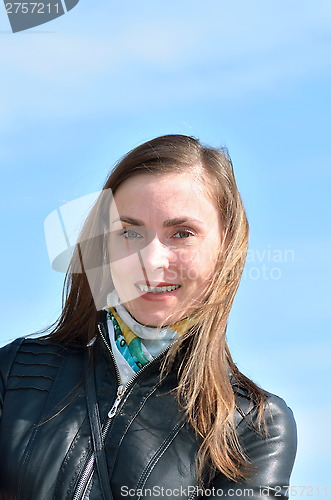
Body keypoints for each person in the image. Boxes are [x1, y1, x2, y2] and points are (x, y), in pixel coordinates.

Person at [0, 134, 297, 499]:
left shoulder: (253, 427)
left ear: (225, 249)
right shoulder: (14, 373)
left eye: (182, 234)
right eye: (129, 232)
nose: (151, 260)